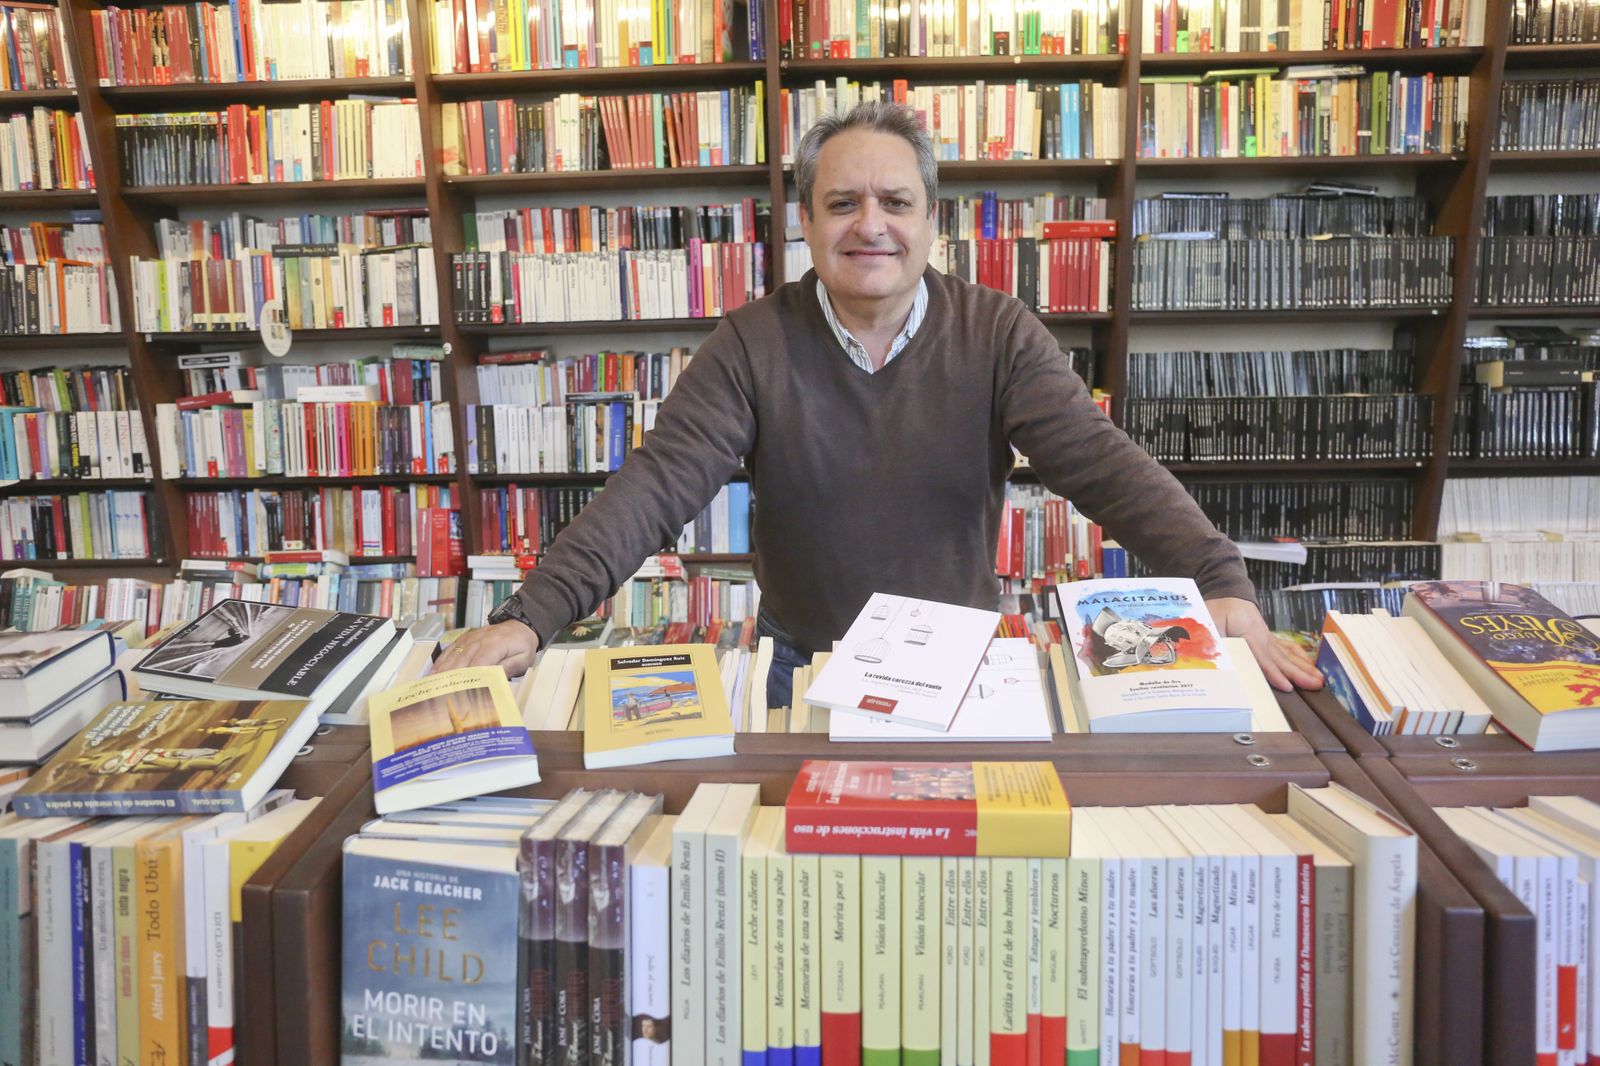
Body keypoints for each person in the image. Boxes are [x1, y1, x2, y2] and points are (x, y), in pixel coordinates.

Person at [438, 100, 1324, 705]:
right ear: (808, 222)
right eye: (843, 203)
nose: (871, 225)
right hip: (807, 665)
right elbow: (656, 487)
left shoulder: (999, 332)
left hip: (961, 667)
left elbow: (1102, 466)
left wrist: (1219, 583)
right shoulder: (750, 342)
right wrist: (530, 616)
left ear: (931, 219)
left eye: (896, 202)